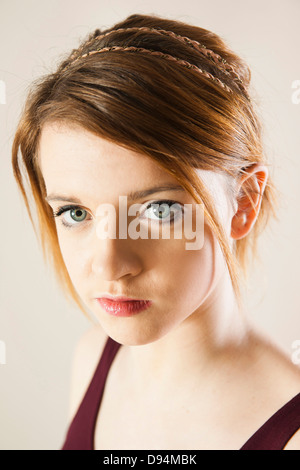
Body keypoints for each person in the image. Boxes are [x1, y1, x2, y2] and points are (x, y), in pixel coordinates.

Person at [11, 13, 300, 450]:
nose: (109, 263)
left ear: (243, 203)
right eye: (74, 213)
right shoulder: (93, 360)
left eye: (159, 208)